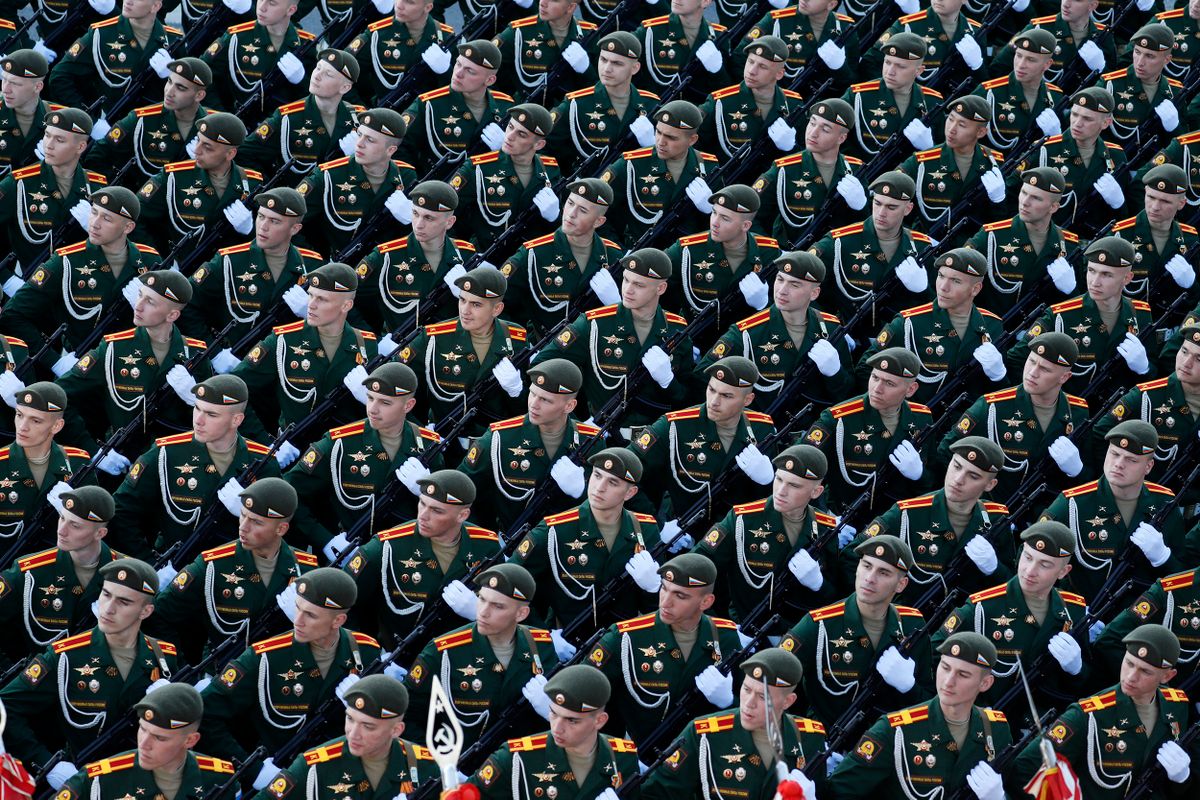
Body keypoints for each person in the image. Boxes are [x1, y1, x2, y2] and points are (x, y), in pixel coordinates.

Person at [0, 557, 178, 788]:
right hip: (79, 781)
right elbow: (7, 706)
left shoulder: (163, 658)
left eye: (123, 602)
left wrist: (172, 711)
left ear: (146, 611)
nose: (109, 609)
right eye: (106, 595)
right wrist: (46, 763)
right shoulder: (65, 656)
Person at [198, 567, 382, 765]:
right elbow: (205, 714)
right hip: (275, 771)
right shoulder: (263, 657)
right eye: (297, 608)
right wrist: (252, 770)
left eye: (310, 615)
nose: (298, 621)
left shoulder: (366, 652)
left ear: (338, 620)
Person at [1009, 624, 1193, 800]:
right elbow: (1025, 769)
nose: (1131, 677)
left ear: (1167, 676)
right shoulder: (1087, 715)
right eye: (1129, 663)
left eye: (1145, 671)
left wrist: (1182, 779)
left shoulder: (1176, 705)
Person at [108, 373, 279, 562]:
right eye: (197, 409)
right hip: (174, 566)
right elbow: (121, 510)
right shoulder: (166, 453)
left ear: (236, 420)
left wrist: (251, 516)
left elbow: (282, 530)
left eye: (211, 414)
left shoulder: (262, 462)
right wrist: (149, 564)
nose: (198, 420)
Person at [147, 476, 315, 666]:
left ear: (281, 529)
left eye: (256, 522)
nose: (243, 527)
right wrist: (182, 672)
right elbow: (158, 615)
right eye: (243, 515)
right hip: (220, 674)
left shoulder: (307, 570)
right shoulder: (212, 564)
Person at [825, 632, 1013, 800]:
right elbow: (838, 792)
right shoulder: (894, 731)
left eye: (963, 675)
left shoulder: (995, 729)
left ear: (985, 683)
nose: (949, 681)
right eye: (945, 667)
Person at [285, 362, 444, 559]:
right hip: (345, 553)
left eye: (385, 402)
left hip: (405, 560)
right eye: (370, 398)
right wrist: (325, 539)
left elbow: (448, 515)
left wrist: (428, 493)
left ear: (408, 406)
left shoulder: (428, 447)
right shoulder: (339, 444)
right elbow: (287, 492)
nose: (373, 409)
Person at [931, 521, 1088, 718]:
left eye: (1044, 565)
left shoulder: (1073, 611)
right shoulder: (982, 608)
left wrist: (1077, 669)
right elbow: (934, 656)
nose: (1030, 571)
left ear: (1063, 572)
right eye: (1028, 557)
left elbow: (1082, 685)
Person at [53, 270, 214, 462]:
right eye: (140, 295)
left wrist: (196, 401)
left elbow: (218, 424)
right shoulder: (113, 348)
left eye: (150, 302)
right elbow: (59, 396)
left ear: (172, 314)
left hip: (175, 463)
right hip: (120, 457)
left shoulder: (195, 355)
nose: (138, 306)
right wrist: (93, 450)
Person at [586, 553, 744, 746]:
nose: (665, 602)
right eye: (664, 588)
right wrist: (617, 752)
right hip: (639, 758)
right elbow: (585, 696)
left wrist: (728, 702)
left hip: (700, 757)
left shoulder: (725, 637)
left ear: (706, 602)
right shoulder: (625, 637)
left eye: (680, 595)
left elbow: (749, 709)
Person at [778, 534, 933, 727]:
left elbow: (931, 704)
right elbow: (770, 681)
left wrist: (910, 688)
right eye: (866, 566)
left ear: (901, 584)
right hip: (827, 744)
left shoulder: (912, 625)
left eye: (883, 573)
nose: (870, 578)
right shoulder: (819, 624)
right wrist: (806, 738)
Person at [1, 186, 160, 372]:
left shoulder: (150, 262)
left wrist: (149, 314)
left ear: (128, 227)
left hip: (129, 369)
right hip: (77, 368)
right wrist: (54, 361)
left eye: (106, 218)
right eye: (94, 213)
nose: (95, 223)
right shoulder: (65, 261)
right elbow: (13, 315)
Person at [533, 247, 691, 434]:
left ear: (661, 288)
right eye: (626, 280)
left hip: (656, 443)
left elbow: (689, 397)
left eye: (639, 285)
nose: (628, 290)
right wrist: (575, 424)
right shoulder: (594, 324)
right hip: (602, 438)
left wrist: (668, 381)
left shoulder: (677, 328)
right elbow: (542, 365)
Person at [403, 563, 559, 748]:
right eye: (481, 599)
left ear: (521, 613)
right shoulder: (443, 652)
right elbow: (406, 717)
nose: (483, 612)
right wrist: (437, 764)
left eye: (497, 606)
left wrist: (554, 713)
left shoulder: (541, 646)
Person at [845, 436, 1013, 606]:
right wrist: (887, 606)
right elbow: (851, 557)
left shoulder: (995, 520)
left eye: (973, 476)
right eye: (956, 466)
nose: (958, 479)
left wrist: (995, 569)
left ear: (990, 485)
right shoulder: (907, 514)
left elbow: (1012, 587)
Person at [1037, 420, 1188, 607]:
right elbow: (1033, 561)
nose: (1118, 464)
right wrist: (1069, 610)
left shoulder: (1164, 504)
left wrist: (1163, 558)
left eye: (1131, 460)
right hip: (1081, 617)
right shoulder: (1072, 503)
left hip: (1139, 621)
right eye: (1114, 454)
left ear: (1148, 467)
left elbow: (1183, 578)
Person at [233, 262, 379, 453]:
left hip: (346, 457)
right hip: (293, 452)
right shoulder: (282, 341)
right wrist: (266, 444)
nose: (311, 304)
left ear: (346, 305)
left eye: (322, 299)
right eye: (310, 295)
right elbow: (234, 391)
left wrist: (370, 399)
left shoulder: (367, 346)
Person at [641, 648, 825, 800]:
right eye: (746, 689)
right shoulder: (704, 734)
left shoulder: (809, 738)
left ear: (788, 701)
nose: (749, 702)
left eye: (763, 697)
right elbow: (656, 795)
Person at [342, 469, 498, 647]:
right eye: (422, 503)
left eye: (437, 511)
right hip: (395, 659)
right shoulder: (387, 547)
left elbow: (511, 610)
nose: (423, 515)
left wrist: (481, 613)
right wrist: (369, 653)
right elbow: (342, 604)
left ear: (462, 515)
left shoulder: (487, 547)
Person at [510, 447, 661, 630]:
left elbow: (656, 610)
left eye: (612, 482)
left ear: (630, 493)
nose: (600, 487)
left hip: (619, 645)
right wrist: (543, 635)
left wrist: (654, 589)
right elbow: (509, 585)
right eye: (597, 475)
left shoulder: (646, 531)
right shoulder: (553, 531)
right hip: (567, 645)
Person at [937, 331, 1091, 503]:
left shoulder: (1077, 412)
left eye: (1045, 369)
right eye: (1031, 361)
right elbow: (946, 452)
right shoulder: (991, 406)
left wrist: (1077, 471)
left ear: (1064, 376)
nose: (1032, 372)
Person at [695, 443, 840, 623]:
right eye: (779, 479)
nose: (781, 491)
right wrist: (720, 628)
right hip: (747, 630)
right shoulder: (742, 519)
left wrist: (819, 585)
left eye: (794, 485)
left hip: (801, 635)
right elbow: (696, 568)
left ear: (816, 492)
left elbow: (838, 594)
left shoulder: (827, 528)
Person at [696, 250, 853, 412]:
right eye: (780, 279)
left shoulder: (830, 328)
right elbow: (702, 377)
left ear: (814, 293)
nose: (782, 290)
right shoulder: (747, 333)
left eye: (794, 284)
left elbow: (849, 396)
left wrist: (835, 374)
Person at [457, 358, 601, 533]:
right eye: (532, 394)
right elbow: (459, 493)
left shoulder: (591, 441)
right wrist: (488, 541)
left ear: (569, 406)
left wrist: (582, 492)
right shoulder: (499, 438)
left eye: (546, 400)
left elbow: (608, 510)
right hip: (509, 546)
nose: (533, 404)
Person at [629, 355, 776, 520]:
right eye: (712, 390)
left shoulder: (762, 429)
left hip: (736, 537)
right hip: (681, 534)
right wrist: (657, 525)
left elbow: (773, 503)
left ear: (748, 400)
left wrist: (770, 481)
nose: (714, 402)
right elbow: (622, 470)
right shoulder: (673, 426)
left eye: (726, 396)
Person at [179, 186, 324, 352]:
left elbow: (337, 326)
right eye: (261, 217)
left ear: (295, 229)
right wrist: (214, 352)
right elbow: (184, 303)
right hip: (229, 358)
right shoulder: (229, 260)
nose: (263, 226)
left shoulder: (313, 268)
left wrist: (315, 314)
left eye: (274, 221)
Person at [1005, 236, 1154, 396]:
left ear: (1127, 278)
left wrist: (1145, 369)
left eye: (1106, 275)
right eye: (1091, 271)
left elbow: (1154, 374)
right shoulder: (1059, 315)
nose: (1095, 282)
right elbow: (1016, 360)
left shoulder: (1141, 314)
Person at [858, 248, 1007, 404]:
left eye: (955, 281)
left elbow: (998, 398)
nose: (943, 287)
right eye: (941, 276)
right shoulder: (909, 322)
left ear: (975, 289)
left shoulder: (993, 326)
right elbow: (865, 369)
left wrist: (999, 377)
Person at [393, 266, 529, 439]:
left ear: (497, 309)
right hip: (445, 445)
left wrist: (517, 391)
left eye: (476, 304)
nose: (465, 310)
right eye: (462, 300)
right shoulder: (433, 338)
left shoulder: (517, 338)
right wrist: (420, 434)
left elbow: (530, 408)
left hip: (498, 445)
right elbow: (393, 386)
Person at [468, 665, 641, 800]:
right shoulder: (515, 758)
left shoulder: (623, 758)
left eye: (572, 720)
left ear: (599, 720)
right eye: (553, 713)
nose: (557, 727)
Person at [253, 674, 433, 800]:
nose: (353, 734)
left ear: (396, 730)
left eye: (368, 726)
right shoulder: (315, 766)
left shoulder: (428, 768)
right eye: (350, 719)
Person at [801, 347, 933, 516]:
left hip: (894, 522)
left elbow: (933, 479)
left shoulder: (922, 419)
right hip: (842, 517)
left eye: (889, 383)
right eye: (875, 377)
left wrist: (919, 475)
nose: (877, 388)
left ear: (911, 390)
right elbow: (801, 469)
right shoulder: (838, 419)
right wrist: (823, 519)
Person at [0, 485, 118, 669]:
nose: (62, 530)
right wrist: (8, 672)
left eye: (75, 525)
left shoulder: (126, 577)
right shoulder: (30, 571)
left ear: (100, 533)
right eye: (62, 518)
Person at [55, 683, 234, 800]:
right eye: (142, 729)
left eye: (159, 737)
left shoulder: (220, 779)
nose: (144, 744)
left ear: (190, 740)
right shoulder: (99, 780)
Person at [499, 177, 625, 340]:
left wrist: (617, 305)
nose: (571, 214)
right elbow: (494, 303)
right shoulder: (533, 254)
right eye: (570, 203)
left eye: (583, 210)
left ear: (599, 221)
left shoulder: (613, 257)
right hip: (543, 351)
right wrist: (520, 344)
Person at [1095, 323, 1200, 515]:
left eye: (1198, 358)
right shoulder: (1145, 397)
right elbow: (1100, 436)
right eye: (1184, 351)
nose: (1186, 363)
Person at [809, 171, 933, 332]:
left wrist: (924, 291)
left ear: (908, 209)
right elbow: (802, 286)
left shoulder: (921, 248)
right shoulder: (839, 242)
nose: (881, 213)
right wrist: (828, 328)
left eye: (891, 207)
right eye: (877, 203)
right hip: (847, 338)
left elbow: (941, 309)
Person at [0, 107, 106, 287]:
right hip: (25, 282)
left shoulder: (96, 187)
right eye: (47, 135)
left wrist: (98, 230)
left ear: (81, 147)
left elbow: (116, 250)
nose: (48, 144)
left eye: (59, 139)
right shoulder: (18, 184)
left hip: (74, 288)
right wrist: (6, 279)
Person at [663, 184, 782, 343]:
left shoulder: (769, 253)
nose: (714, 223)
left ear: (745, 225)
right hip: (695, 339)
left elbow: (792, 309)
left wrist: (764, 304)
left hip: (745, 346)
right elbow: (650, 284)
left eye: (725, 218)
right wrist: (675, 338)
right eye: (714, 213)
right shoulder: (688, 250)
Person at [353, 180, 473, 337]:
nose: (418, 225)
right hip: (398, 354)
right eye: (415, 214)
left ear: (449, 222)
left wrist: (469, 296)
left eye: (429, 218)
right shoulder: (386, 257)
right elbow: (341, 298)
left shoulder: (466, 255)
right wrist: (370, 341)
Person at [135, 111, 263, 258]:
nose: (196, 150)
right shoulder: (173, 176)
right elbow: (135, 218)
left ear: (230, 154)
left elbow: (271, 246)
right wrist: (157, 261)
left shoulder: (253, 185)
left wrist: (250, 231)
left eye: (207, 147)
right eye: (198, 141)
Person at [296, 107, 418, 259]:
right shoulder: (328, 175)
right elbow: (288, 223)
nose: (359, 144)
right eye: (360, 135)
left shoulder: (406, 177)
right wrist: (317, 266)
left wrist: (413, 223)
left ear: (390, 150)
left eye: (370, 140)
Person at [598, 100, 723, 248]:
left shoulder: (708, 168)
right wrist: (618, 251)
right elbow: (595, 209)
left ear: (692, 140)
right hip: (638, 258)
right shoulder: (631, 164)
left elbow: (722, 233)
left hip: (683, 262)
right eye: (658, 132)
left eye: (671, 137)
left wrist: (712, 212)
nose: (661, 142)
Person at [751, 97, 865, 248]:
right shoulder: (783, 170)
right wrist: (772, 252)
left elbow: (867, 231)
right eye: (812, 123)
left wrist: (862, 207)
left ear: (841, 138)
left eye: (825, 129)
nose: (813, 133)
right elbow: (748, 215)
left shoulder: (855, 171)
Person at [448, 102, 562, 252]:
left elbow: (550, 235)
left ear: (539, 145)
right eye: (510, 127)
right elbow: (443, 215)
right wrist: (464, 256)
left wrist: (554, 219)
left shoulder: (550, 171)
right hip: (482, 257)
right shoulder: (477, 168)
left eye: (521, 134)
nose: (509, 136)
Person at [968, 165, 1081, 316]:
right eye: (1024, 193)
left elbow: (1079, 311)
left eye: (1036, 198)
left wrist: (1071, 291)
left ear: (1053, 207)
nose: (1025, 202)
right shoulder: (990, 236)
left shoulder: (1069, 246)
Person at [84, 57, 213, 189]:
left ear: (199, 95)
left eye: (180, 88)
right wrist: (118, 196)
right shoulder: (142, 119)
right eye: (169, 81)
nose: (169, 91)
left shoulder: (216, 129)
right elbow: (97, 157)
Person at [1010, 87, 1126, 233]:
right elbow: (1011, 192)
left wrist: (1119, 205)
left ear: (1106, 123)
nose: (1077, 123)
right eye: (1075, 114)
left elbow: (1122, 221)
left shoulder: (1115, 156)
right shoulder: (1045, 149)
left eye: (1087, 118)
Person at [238, 49, 362, 182]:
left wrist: (357, 158)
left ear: (344, 88)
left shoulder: (358, 120)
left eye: (328, 74)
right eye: (318, 68)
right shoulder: (287, 117)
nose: (316, 76)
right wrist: (272, 193)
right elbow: (244, 155)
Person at [396, 40, 515, 178]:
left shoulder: (505, 107)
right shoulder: (429, 104)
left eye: (470, 71)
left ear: (490, 80)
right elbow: (399, 147)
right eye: (458, 64)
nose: (458, 73)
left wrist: (506, 151)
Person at [545, 32, 659, 176]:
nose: (607, 69)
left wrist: (652, 147)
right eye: (603, 59)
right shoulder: (576, 104)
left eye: (617, 63)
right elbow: (541, 145)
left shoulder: (651, 105)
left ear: (635, 68)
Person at [897, 95, 1006, 241]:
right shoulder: (921, 162)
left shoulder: (993, 165)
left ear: (980, 132)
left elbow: (1002, 223)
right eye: (950, 119)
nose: (951, 129)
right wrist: (913, 240)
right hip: (926, 247)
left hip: (970, 254)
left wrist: (999, 200)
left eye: (962, 125)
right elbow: (891, 199)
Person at [47, 0, 179, 115]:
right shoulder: (101, 34)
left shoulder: (174, 41)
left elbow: (193, 98)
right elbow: (59, 77)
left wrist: (173, 77)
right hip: (109, 127)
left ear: (155, 6)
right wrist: (88, 120)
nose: (128, 1)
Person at [0, 382, 93, 540]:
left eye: (35, 421)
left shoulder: (78, 464)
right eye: (19, 415)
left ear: (57, 426)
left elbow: (96, 534)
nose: (22, 427)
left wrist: (77, 514)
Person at [840, 33, 943, 162]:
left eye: (900, 66)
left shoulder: (932, 102)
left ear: (919, 71)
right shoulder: (857, 96)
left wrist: (930, 148)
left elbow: (943, 150)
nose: (890, 72)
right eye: (887, 62)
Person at [699, 37, 802, 164]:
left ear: (779, 74)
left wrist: (791, 148)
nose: (752, 71)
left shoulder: (793, 104)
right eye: (750, 61)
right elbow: (692, 143)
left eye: (762, 66)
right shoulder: (720, 102)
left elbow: (808, 156)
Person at [200, 0, 316, 113]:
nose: (261, 7)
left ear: (291, 10)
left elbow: (318, 103)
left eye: (272, 3)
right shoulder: (236, 38)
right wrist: (222, 118)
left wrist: (302, 81)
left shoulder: (305, 46)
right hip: (237, 123)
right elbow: (200, 76)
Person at [1113, 164, 1198, 310]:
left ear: (1181, 203)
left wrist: (1192, 285)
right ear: (1145, 192)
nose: (1155, 207)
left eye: (1165, 201)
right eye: (1151, 197)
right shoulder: (1121, 235)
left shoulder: (1191, 240)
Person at [971, 28, 1063, 154]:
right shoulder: (989, 93)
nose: (1020, 65)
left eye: (1031, 60)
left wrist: (1056, 138)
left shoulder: (1055, 97)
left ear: (1047, 64)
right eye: (1018, 56)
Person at [347, 0, 454, 106]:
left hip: (427, 118)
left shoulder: (446, 37)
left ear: (428, 8)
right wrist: (361, 112)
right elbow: (340, 71)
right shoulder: (377, 35)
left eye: (409, 2)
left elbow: (462, 93)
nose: (399, 5)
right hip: (383, 115)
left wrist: (446, 72)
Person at [489, 0, 596, 103]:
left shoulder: (589, 34)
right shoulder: (519, 32)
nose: (542, 3)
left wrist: (587, 70)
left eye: (554, 0)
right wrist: (503, 106)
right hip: (527, 115)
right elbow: (484, 68)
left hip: (571, 117)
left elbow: (604, 90)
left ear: (570, 7)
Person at [742, 0, 859, 92]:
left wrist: (839, 67)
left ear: (831, 4)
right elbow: (740, 59)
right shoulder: (777, 21)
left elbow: (851, 84)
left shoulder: (845, 29)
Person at [1097, 23, 1183, 149]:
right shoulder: (1111, 84)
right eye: (1137, 52)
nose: (1140, 62)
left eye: (1150, 56)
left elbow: (1183, 147)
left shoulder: (1175, 91)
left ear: (1167, 59)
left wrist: (1174, 129)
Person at [992, 0, 1113, 87]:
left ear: (1092, 5)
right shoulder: (1038, 28)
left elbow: (1113, 85)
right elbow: (998, 69)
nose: (1066, 4)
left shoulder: (1103, 35)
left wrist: (1102, 68)